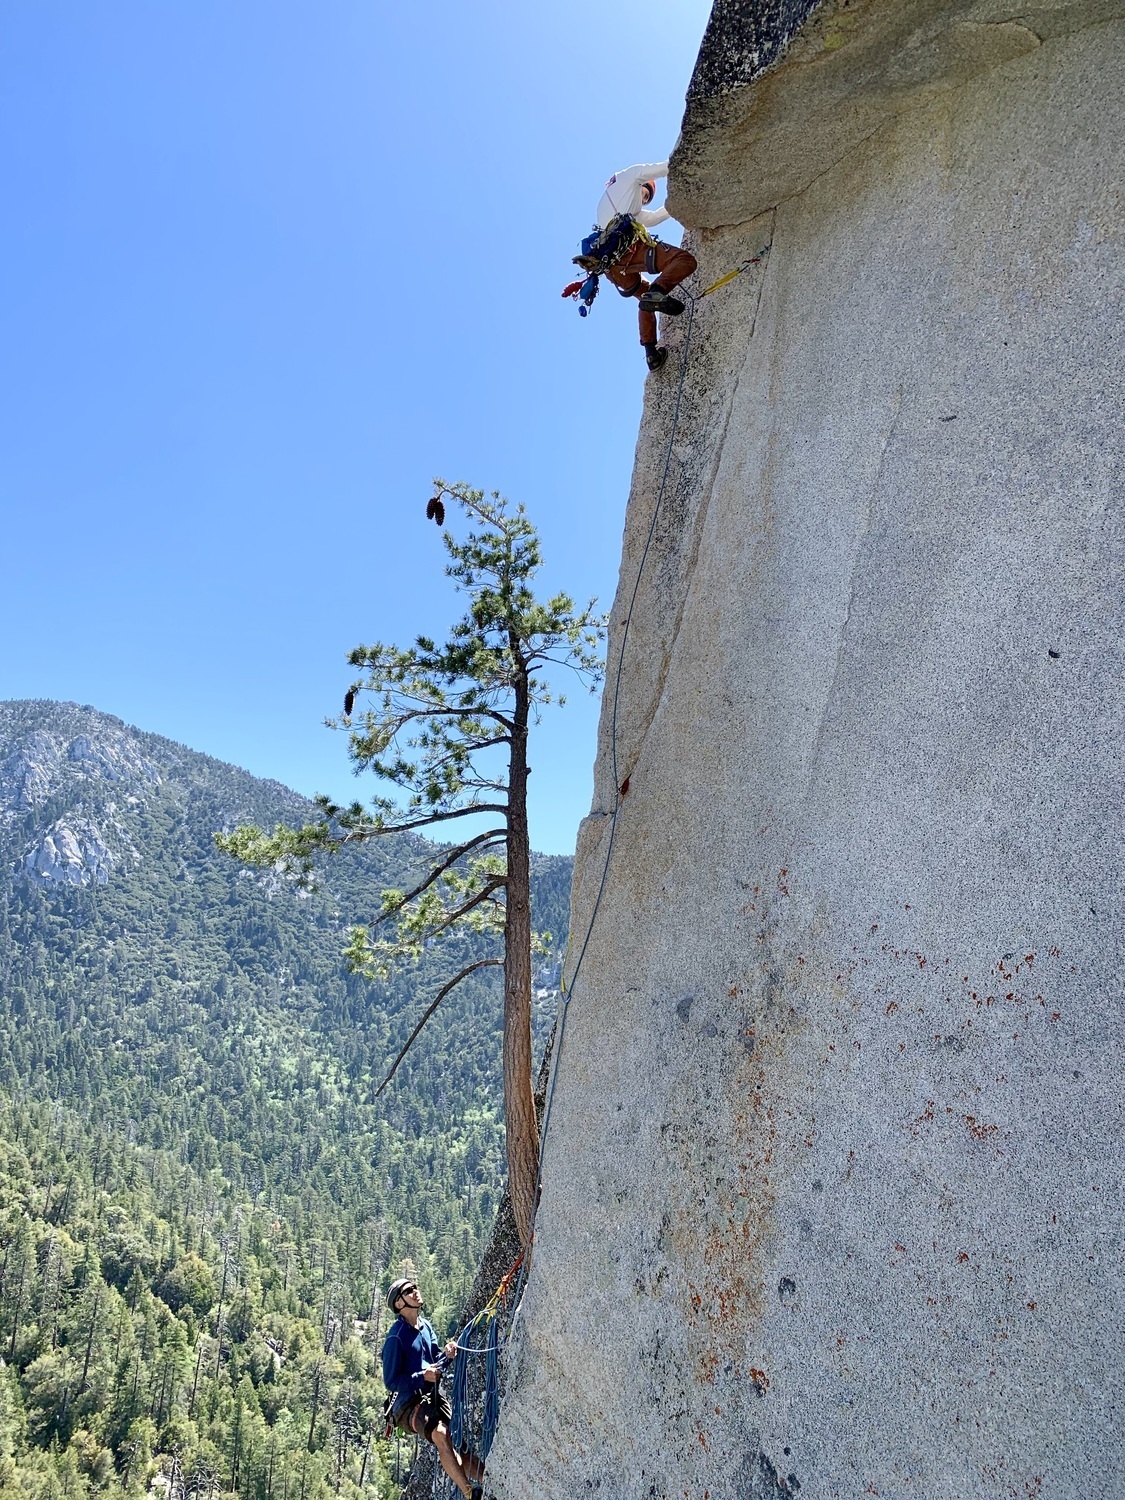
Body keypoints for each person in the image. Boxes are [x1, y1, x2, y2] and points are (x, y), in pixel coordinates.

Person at [382, 1277, 484, 1500]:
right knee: (441, 1435)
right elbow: (390, 1381)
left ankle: (490, 1479)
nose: (415, 1291)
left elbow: (434, 1361)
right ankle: (469, 1493)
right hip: (407, 1405)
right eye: (408, 1291)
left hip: (429, 1396)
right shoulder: (396, 1337)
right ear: (399, 1304)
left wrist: (446, 1355)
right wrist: (422, 1376)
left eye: (414, 1287)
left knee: (458, 1444)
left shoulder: (425, 1326)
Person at [597, 162, 698, 372]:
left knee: (645, 299)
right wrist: (681, 165)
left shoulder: (629, 209)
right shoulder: (629, 177)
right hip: (630, 250)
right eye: (645, 195)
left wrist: (674, 203)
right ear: (641, 185)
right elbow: (652, 170)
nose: (644, 201)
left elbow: (655, 217)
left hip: (612, 267)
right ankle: (657, 292)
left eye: (646, 199)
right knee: (685, 261)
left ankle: (651, 354)